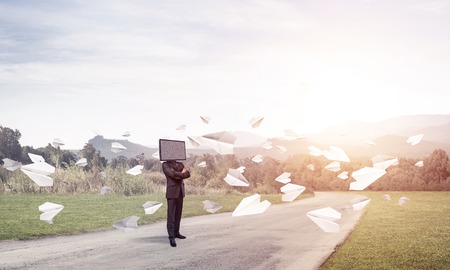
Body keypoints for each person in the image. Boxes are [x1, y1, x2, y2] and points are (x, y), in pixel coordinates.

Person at [162, 160, 190, 247]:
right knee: (171, 216)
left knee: (178, 214)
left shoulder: (180, 164)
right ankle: (171, 237)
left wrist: (177, 175)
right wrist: (181, 174)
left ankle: (176, 232)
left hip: (180, 192)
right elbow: (172, 174)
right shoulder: (165, 164)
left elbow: (188, 174)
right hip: (172, 192)